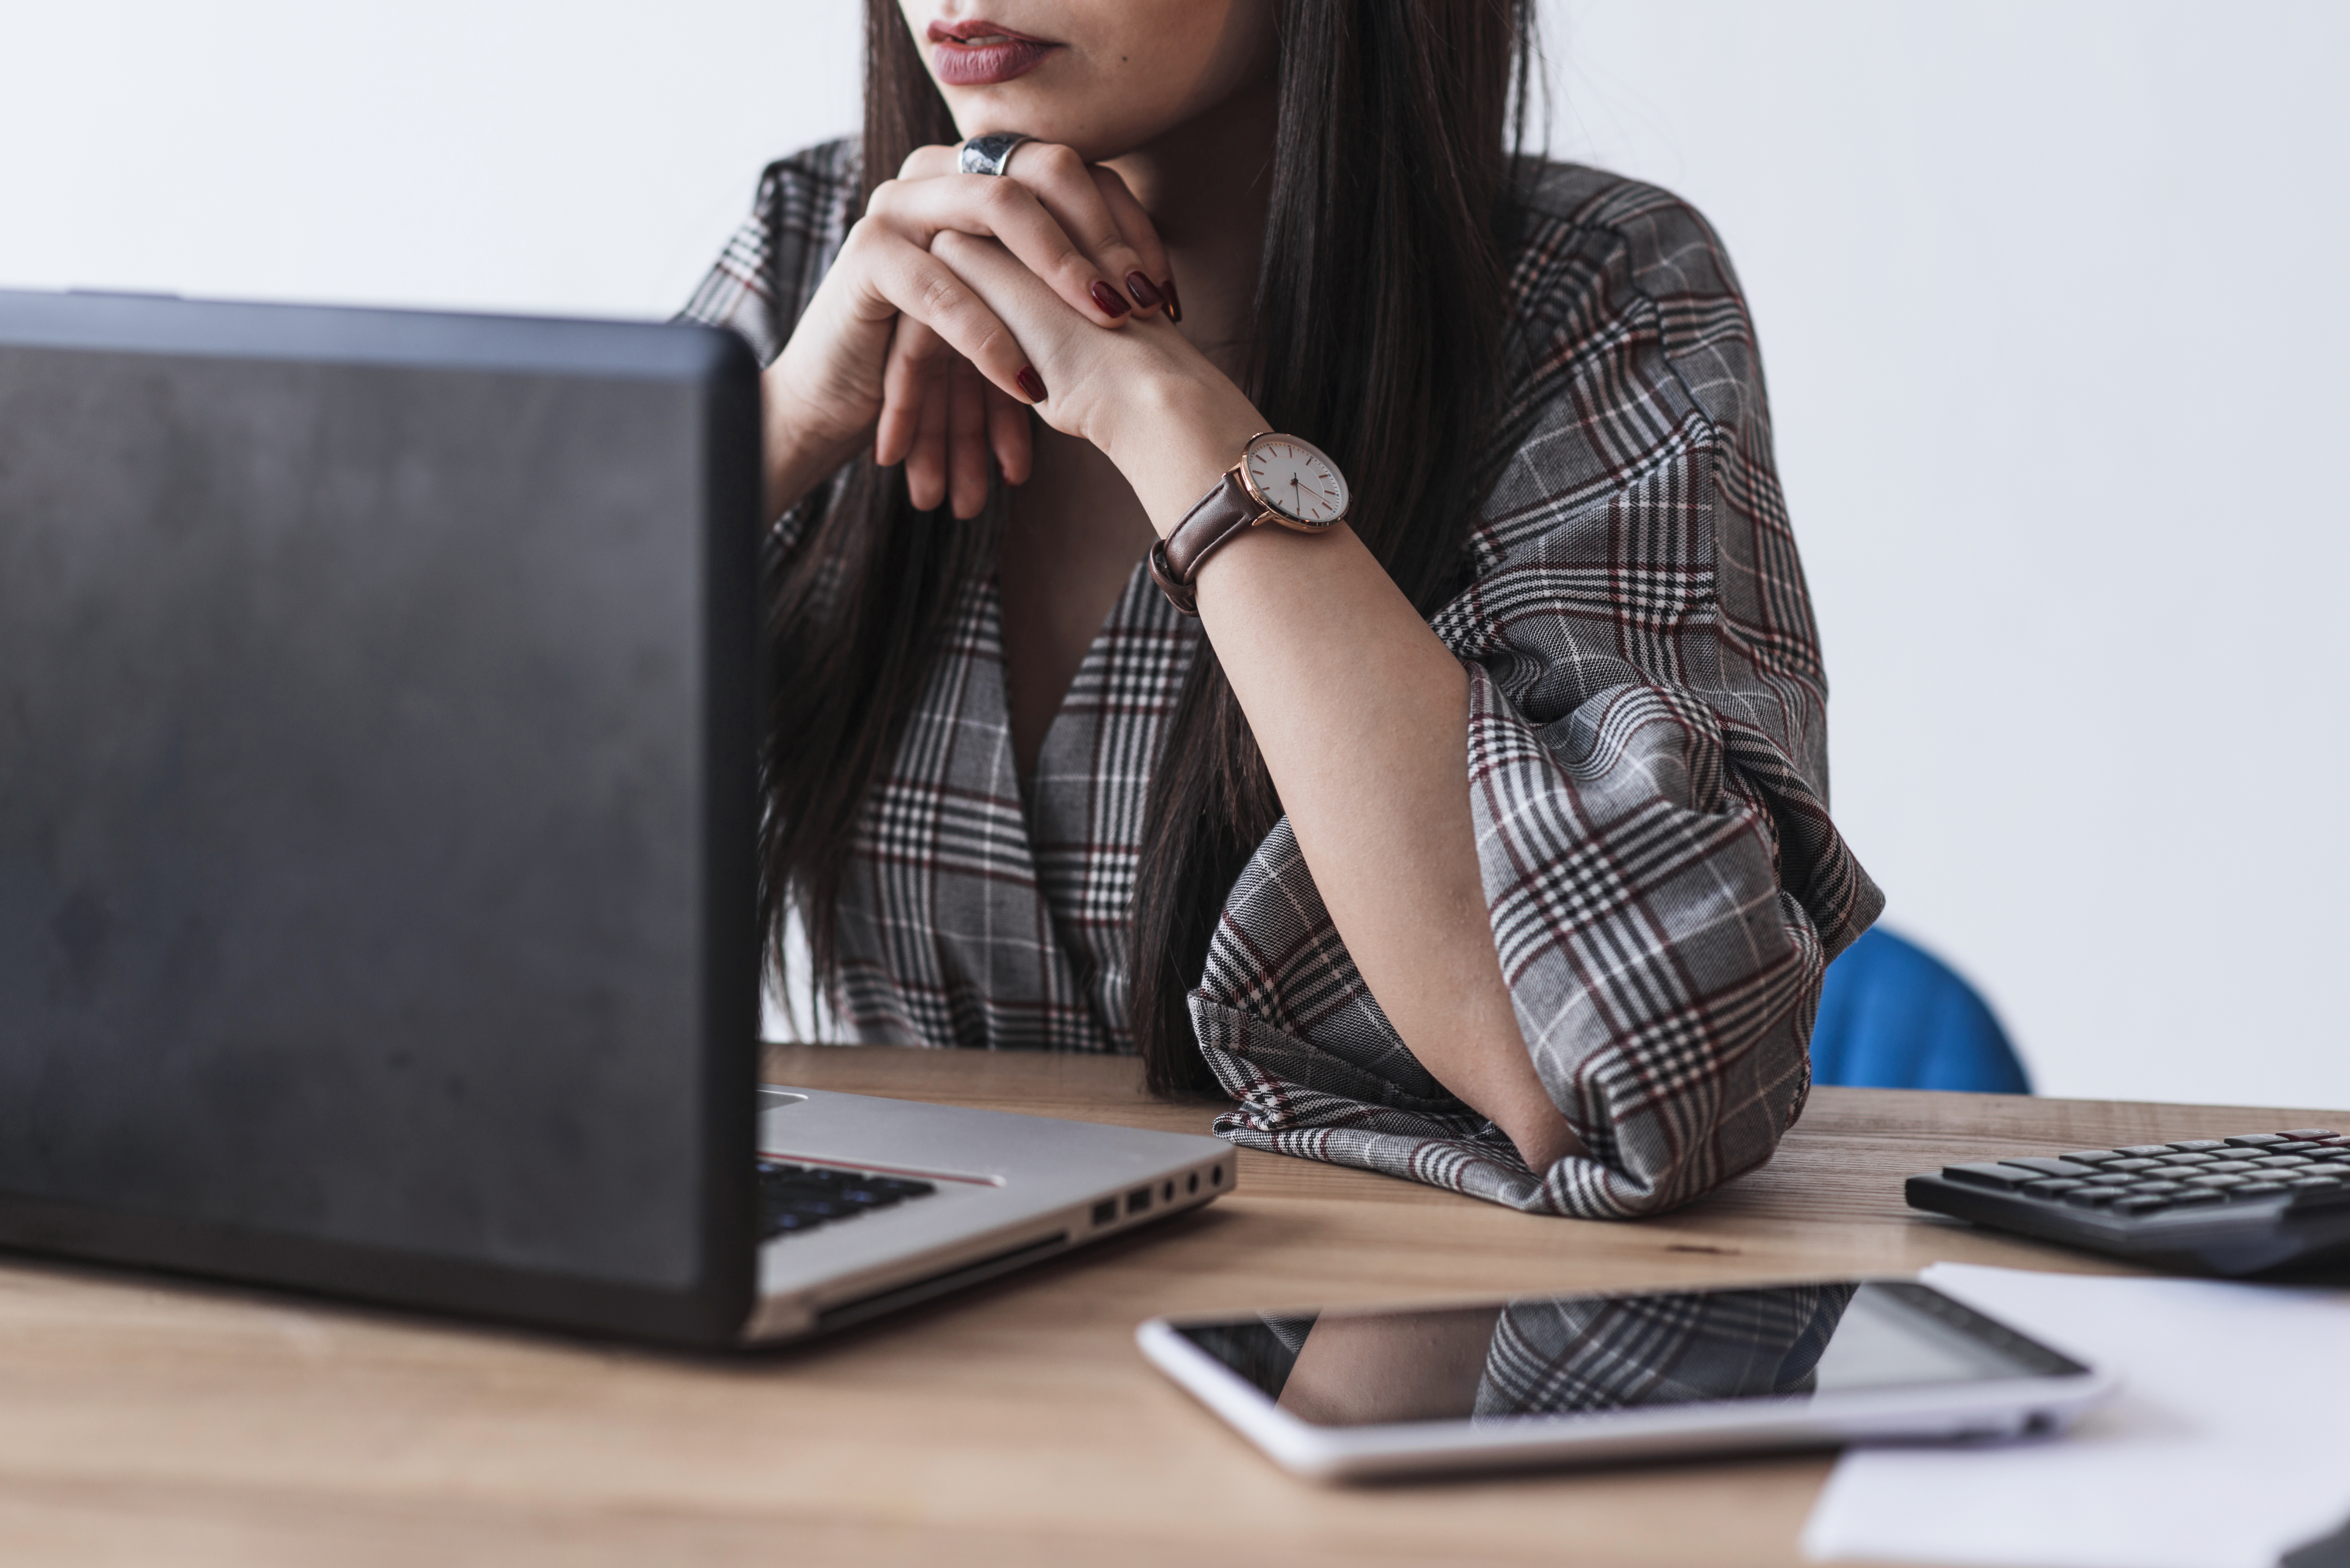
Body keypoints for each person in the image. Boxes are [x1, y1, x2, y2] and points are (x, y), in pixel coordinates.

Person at [683, 0, 1881, 1218]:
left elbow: (1634, 1076)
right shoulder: (820, 250)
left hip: (1382, 1346)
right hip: (905, 1341)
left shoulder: (1594, 292)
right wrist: (776, 432)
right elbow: (486, 871)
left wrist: (1171, 417)